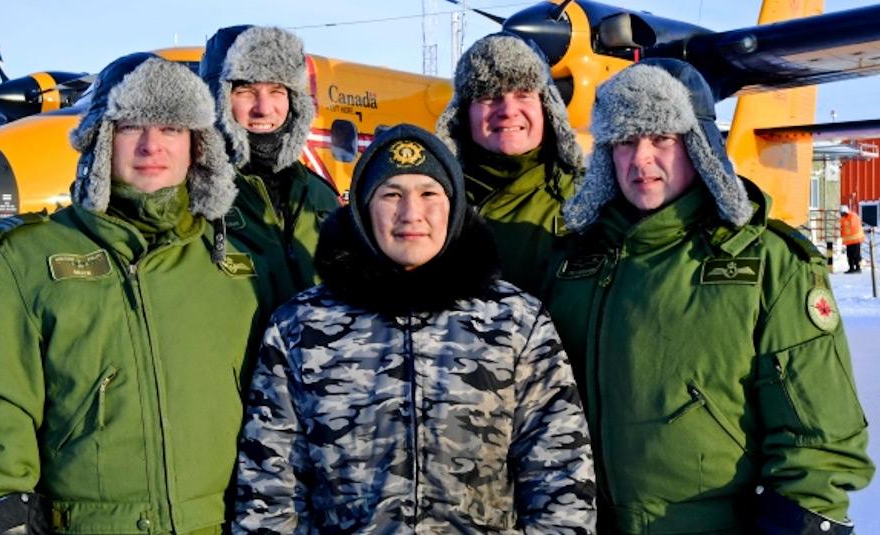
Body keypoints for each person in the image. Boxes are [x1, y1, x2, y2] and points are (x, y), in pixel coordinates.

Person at [541, 59, 874, 534]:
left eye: (662, 139)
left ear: (698, 146)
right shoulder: (575, 266)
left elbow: (818, 444)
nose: (641, 161)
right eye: (625, 142)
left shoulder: (769, 263)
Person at [0, 53, 265, 534]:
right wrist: (3, 516)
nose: (152, 145)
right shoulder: (29, 258)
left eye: (172, 129)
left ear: (198, 146)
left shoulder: (238, 265)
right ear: (100, 140)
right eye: (131, 127)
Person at [235, 124, 596, 533]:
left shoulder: (516, 322)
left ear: (454, 206)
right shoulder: (302, 328)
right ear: (363, 208)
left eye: (429, 194)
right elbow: (269, 489)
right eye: (391, 195)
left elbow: (561, 476)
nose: (411, 214)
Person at [200, 25, 340, 309]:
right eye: (245, 91)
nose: (264, 108)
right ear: (218, 99)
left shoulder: (321, 197)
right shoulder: (193, 195)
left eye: (277, 90)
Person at [435, 32, 584, 295]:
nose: (508, 110)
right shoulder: (433, 203)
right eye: (489, 96)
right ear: (463, 113)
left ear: (547, 108)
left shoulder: (588, 201)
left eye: (524, 94)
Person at [839, 204, 865, 273]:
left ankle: (858, 268)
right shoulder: (843, 219)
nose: (842, 215)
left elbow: (852, 227)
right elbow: (843, 229)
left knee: (856, 254)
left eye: (842, 213)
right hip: (849, 241)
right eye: (841, 213)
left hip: (856, 240)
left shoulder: (853, 216)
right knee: (849, 255)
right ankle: (851, 268)